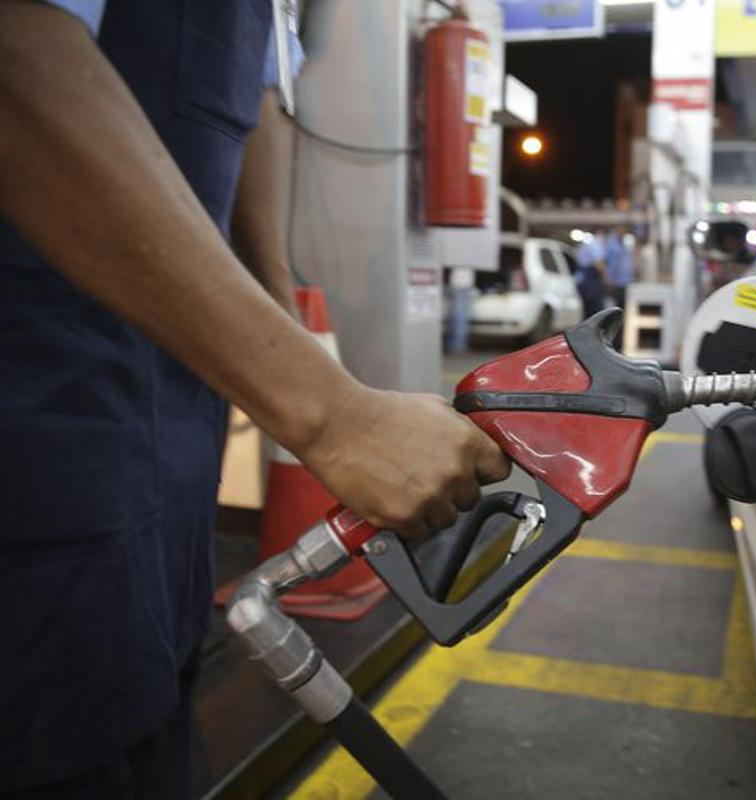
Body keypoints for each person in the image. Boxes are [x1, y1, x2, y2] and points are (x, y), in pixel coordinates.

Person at [0, 2, 509, 797]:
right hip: (37, 400)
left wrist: (280, 328)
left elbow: (256, 99)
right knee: (58, 732)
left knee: (148, 702)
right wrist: (330, 412)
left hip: (164, 411)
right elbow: (17, 56)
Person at [573, 231, 607, 319]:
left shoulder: (585, 244)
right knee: (595, 311)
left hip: (583, 278)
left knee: (586, 309)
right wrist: (606, 278)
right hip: (590, 279)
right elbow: (598, 264)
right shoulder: (595, 244)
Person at [602, 226, 634, 311]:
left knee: (623, 305)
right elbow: (606, 261)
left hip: (624, 281)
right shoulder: (611, 243)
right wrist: (607, 277)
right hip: (615, 281)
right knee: (614, 306)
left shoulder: (623, 243)